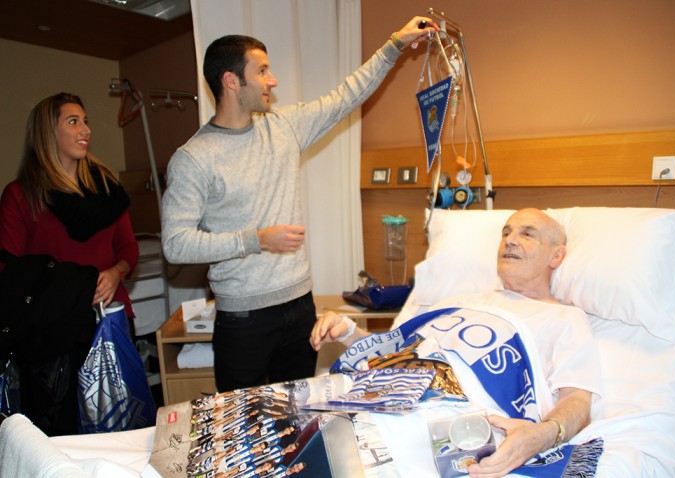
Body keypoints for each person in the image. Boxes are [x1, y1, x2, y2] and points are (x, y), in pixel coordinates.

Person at [161, 17, 440, 393]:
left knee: (300, 414)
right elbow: (176, 244)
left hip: (299, 307)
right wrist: (256, 240)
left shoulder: (284, 126)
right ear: (231, 81)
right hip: (243, 318)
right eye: (261, 71)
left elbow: (347, 95)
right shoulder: (194, 158)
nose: (272, 80)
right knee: (244, 420)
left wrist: (395, 43)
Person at [310, 208, 601, 478]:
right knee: (278, 427)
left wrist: (545, 434)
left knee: (330, 455)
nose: (510, 241)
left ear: (556, 255)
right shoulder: (458, 302)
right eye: (506, 233)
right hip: (382, 385)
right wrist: (348, 332)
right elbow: (399, 352)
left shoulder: (564, 318)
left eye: (527, 234)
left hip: (449, 411)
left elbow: (577, 399)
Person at [0, 92, 139, 434]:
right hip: (54, 331)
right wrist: (74, 285)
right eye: (73, 121)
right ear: (49, 133)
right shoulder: (22, 195)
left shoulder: (107, 190)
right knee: (63, 427)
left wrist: (114, 272)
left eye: (86, 121)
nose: (85, 129)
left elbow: (128, 249)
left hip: (110, 319)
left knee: (120, 421)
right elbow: (10, 269)